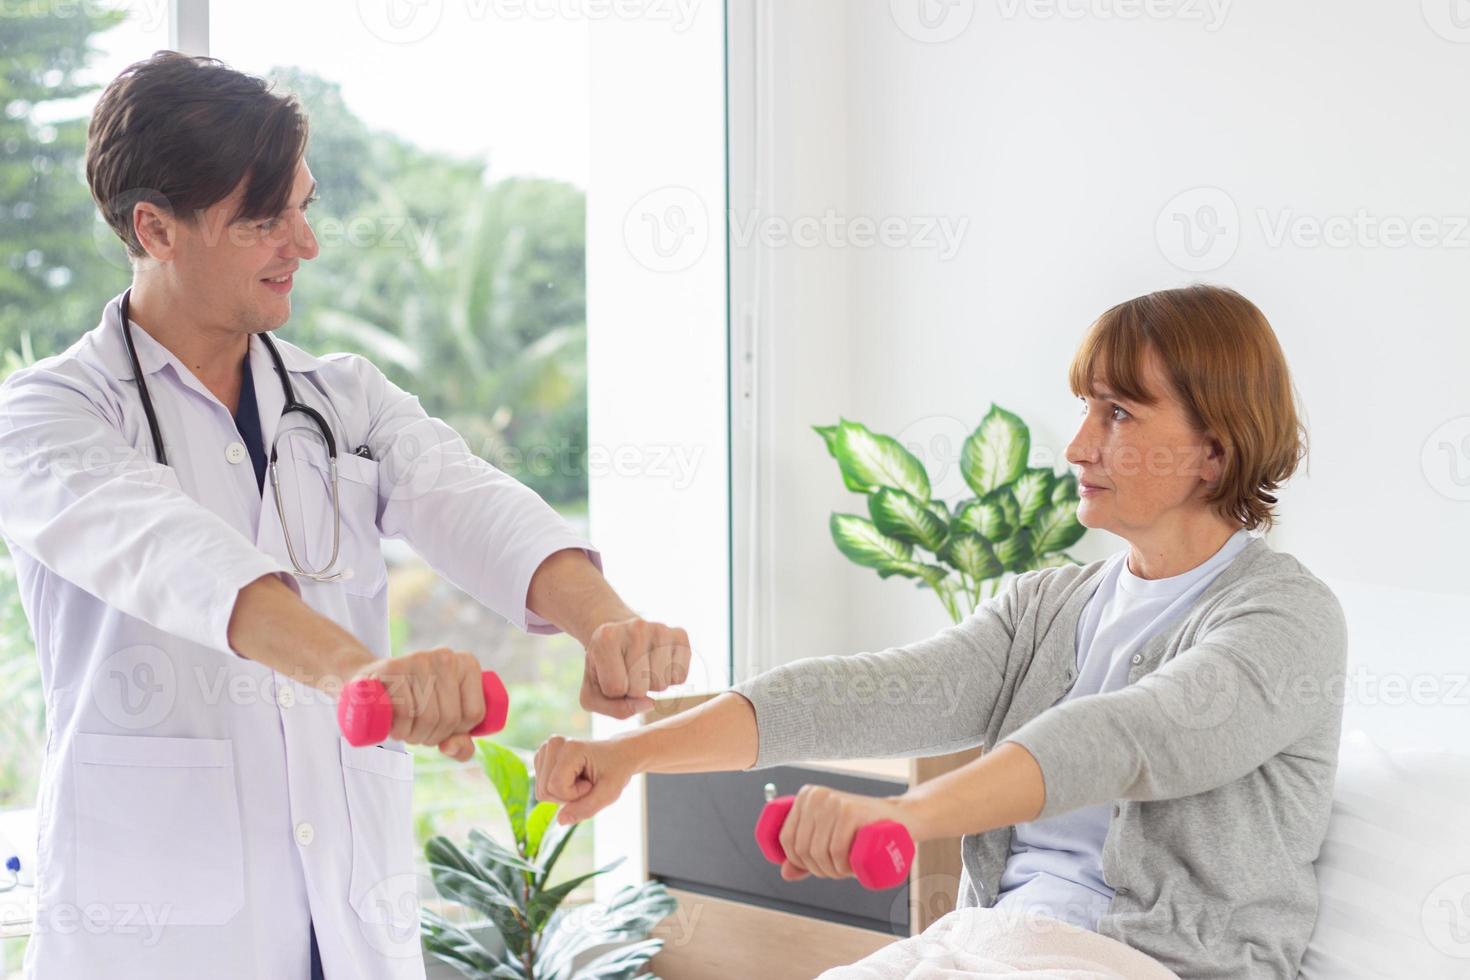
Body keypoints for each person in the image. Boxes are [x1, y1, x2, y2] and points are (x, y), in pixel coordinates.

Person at [0, 51, 691, 979]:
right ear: (154, 228)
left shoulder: (342, 400)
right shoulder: (51, 414)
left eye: (304, 208)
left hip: (350, 929)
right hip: (157, 938)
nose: (304, 244)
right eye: (262, 220)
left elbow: (470, 500)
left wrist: (603, 621)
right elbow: (172, 553)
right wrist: (369, 678)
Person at [534, 285, 1348, 979]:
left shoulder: (1284, 618)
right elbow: (871, 692)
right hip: (986, 945)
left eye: (1120, 414)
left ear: (1214, 449)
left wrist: (906, 818)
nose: (1077, 446)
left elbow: (1126, 737)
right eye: (1085, 409)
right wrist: (628, 754)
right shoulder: (1047, 607)